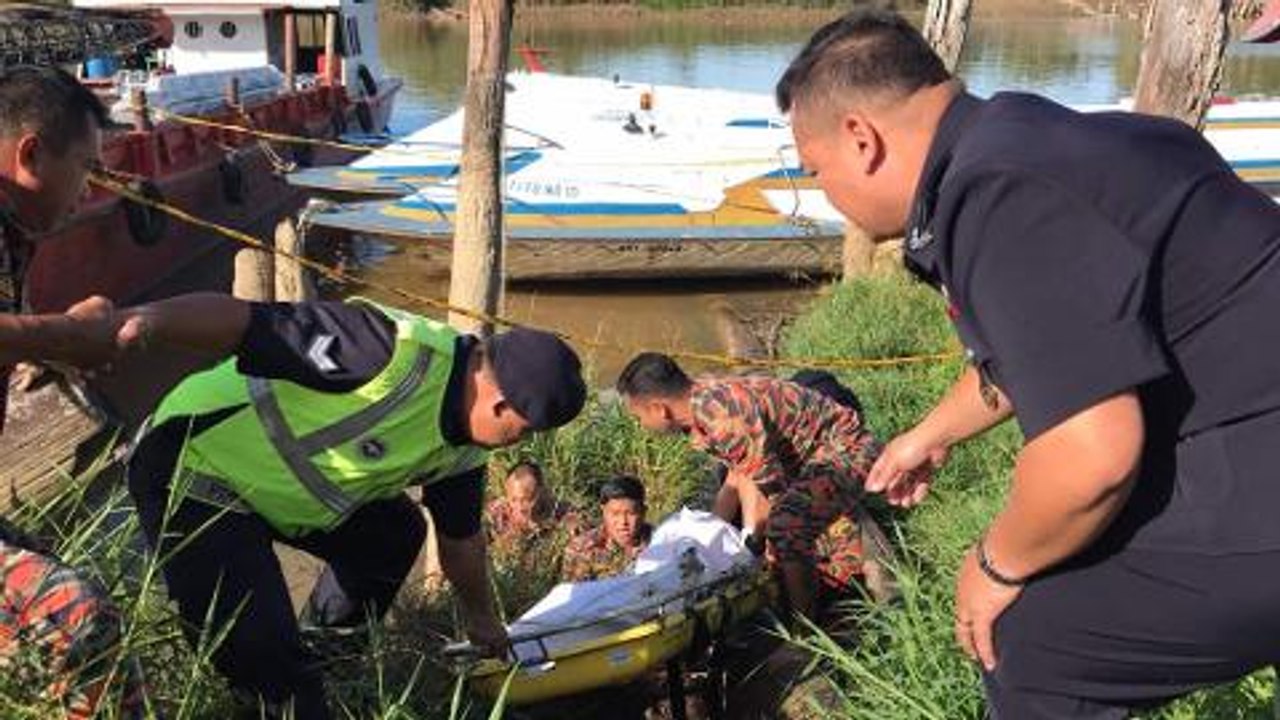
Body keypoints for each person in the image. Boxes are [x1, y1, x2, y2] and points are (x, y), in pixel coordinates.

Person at [778, 8, 1280, 718]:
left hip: (1258, 475)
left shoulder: (993, 196)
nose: (828, 197)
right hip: (1245, 426)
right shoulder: (1035, 142)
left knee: (1026, 639)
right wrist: (934, 433)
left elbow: (1094, 455)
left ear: (861, 139)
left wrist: (992, 564)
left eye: (815, 171)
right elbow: (1061, 347)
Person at [123, 294, 587, 720]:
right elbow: (246, 321)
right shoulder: (384, 351)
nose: (518, 445)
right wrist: (142, 322)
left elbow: (460, 541)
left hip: (272, 492)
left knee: (396, 535)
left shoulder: (468, 447)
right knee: (276, 679)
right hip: (194, 471)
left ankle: (326, 658)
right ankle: (285, 690)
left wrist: (483, 618)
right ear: (501, 404)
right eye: (524, 432)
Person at [0, 65, 149, 719]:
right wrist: (63, 337)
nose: (89, 191)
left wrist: (54, 349)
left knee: (89, 622)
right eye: (85, 167)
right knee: (76, 614)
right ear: (30, 153)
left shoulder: (13, 230)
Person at [615, 354, 879, 620]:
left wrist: (752, 542)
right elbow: (741, 473)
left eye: (639, 417)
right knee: (773, 541)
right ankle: (811, 599)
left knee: (785, 527)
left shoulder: (723, 416)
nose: (641, 426)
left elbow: (765, 486)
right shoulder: (700, 405)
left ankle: (807, 629)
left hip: (847, 451)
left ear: (660, 410)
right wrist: (710, 531)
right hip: (810, 460)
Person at [561, 475, 653, 582]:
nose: (623, 522)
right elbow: (577, 595)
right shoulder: (582, 548)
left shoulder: (660, 541)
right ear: (603, 511)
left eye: (631, 514)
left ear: (643, 512)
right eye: (615, 514)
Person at [485, 460, 578, 567]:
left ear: (542, 492)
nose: (520, 508)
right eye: (513, 500)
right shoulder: (495, 513)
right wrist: (511, 538)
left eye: (527, 500)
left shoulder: (562, 511)